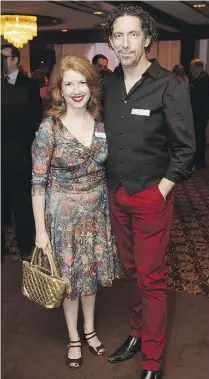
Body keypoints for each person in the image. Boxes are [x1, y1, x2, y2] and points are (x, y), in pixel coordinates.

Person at [102, 5, 196, 379]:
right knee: (130, 271)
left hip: (151, 196)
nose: (125, 44)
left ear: (147, 39)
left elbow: (187, 149)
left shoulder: (168, 85)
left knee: (151, 277)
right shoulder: (107, 84)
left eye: (133, 35)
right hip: (115, 193)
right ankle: (137, 334)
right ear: (111, 41)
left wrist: (162, 190)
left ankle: (153, 362)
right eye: (118, 36)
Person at [31, 55, 121, 370]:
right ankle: (73, 335)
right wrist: (40, 231)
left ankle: (89, 329)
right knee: (70, 280)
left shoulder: (100, 123)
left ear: (91, 85)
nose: (76, 89)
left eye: (81, 81)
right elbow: (38, 182)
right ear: (59, 89)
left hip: (96, 213)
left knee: (90, 276)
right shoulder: (49, 127)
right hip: (63, 217)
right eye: (68, 83)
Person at [1, 54, 37, 261]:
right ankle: (25, 248)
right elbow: (31, 128)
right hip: (18, 157)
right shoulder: (20, 95)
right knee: (22, 205)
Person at [190, 58, 209, 169]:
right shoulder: (199, 77)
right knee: (197, 137)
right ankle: (197, 160)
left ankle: (199, 162)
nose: (191, 70)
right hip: (199, 113)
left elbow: (199, 95)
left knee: (199, 137)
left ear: (198, 67)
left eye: (192, 67)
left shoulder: (203, 78)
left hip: (201, 113)